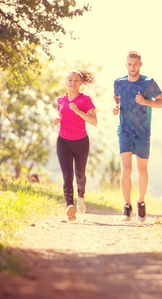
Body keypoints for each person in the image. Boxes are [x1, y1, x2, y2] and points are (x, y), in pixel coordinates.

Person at [113, 51, 162, 222]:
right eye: (129, 64)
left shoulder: (148, 83)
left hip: (143, 132)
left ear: (141, 64)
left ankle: (141, 201)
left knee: (142, 170)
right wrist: (116, 106)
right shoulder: (119, 82)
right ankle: (127, 206)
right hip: (125, 132)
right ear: (126, 64)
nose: (132, 67)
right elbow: (116, 97)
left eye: (135, 64)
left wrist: (146, 102)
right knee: (126, 169)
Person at [54, 70, 97, 221]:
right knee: (67, 175)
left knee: (80, 175)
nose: (73, 83)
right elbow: (62, 114)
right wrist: (57, 118)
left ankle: (81, 196)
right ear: (66, 83)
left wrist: (78, 111)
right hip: (63, 141)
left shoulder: (85, 100)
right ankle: (69, 207)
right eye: (70, 80)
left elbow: (94, 121)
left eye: (76, 80)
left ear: (81, 83)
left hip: (81, 142)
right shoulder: (60, 99)